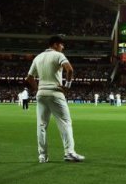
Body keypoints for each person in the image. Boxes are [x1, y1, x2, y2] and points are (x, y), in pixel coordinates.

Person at [26, 35, 84, 163]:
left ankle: (42, 156)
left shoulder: (38, 57)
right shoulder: (58, 55)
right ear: (56, 44)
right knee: (65, 123)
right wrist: (67, 86)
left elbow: (29, 78)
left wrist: (38, 90)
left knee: (41, 126)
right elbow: (70, 70)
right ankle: (69, 152)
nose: (63, 47)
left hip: (41, 93)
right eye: (62, 45)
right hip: (55, 92)